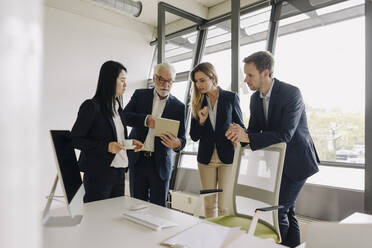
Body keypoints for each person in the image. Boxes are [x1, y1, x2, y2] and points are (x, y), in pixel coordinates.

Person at [225, 51, 319, 247]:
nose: (246, 80)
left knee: (277, 212)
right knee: (288, 209)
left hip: (297, 162)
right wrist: (239, 134)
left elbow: (286, 134)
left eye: (250, 75)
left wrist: (248, 136)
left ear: (265, 73)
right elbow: (253, 133)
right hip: (275, 164)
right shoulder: (254, 99)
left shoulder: (292, 93)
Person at [71, 60, 143, 203]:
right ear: (110, 80)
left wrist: (129, 143)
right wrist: (106, 147)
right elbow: (75, 139)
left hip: (119, 172)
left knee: (114, 219)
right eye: (122, 80)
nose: (125, 85)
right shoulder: (91, 106)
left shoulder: (119, 109)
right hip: (99, 173)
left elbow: (115, 140)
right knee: (96, 219)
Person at [122, 62, 186, 207]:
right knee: (137, 206)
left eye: (169, 81)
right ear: (154, 78)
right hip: (138, 161)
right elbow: (124, 116)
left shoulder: (179, 107)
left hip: (161, 165)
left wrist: (178, 144)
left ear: (173, 81)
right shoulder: (140, 95)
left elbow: (182, 139)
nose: (165, 84)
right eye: (161, 79)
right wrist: (145, 120)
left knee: (159, 209)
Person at [189, 62, 245, 218]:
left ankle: (222, 240)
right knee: (209, 205)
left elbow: (241, 127)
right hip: (206, 159)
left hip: (227, 157)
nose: (198, 85)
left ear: (212, 77)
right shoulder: (197, 102)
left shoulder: (230, 97)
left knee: (224, 206)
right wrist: (201, 121)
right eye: (196, 81)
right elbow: (193, 136)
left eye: (202, 80)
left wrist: (236, 135)